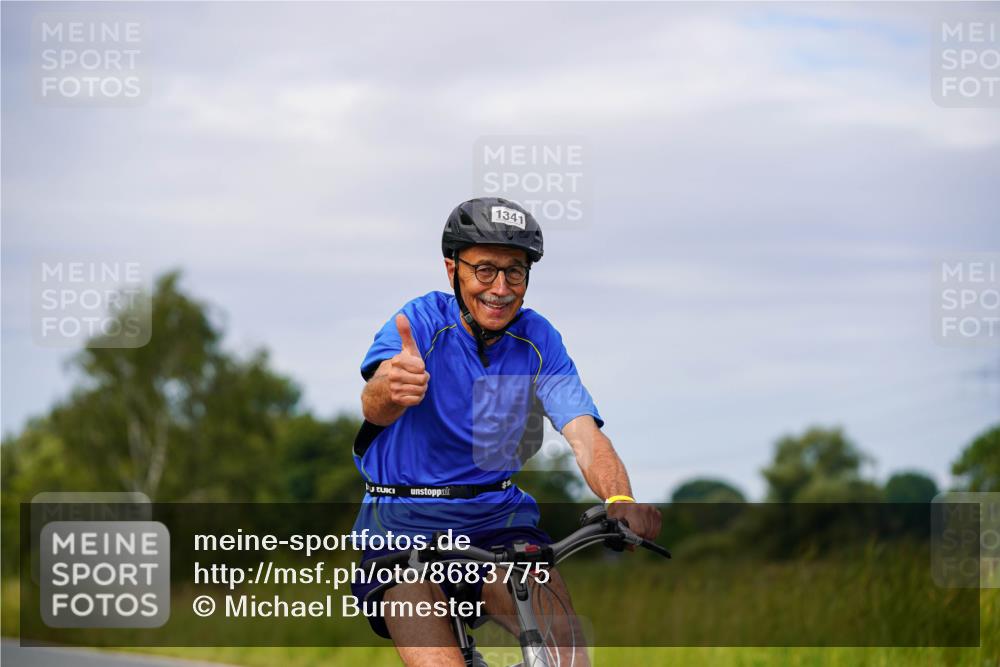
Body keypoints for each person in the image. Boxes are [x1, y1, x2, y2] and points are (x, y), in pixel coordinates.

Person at [352, 197, 661, 667]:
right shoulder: (420, 321)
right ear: (452, 270)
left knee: (566, 654)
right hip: (401, 528)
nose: (500, 288)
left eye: (514, 272)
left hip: (496, 520)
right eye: (484, 270)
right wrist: (391, 387)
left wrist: (619, 498)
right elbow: (374, 403)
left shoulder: (537, 339)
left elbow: (584, 434)